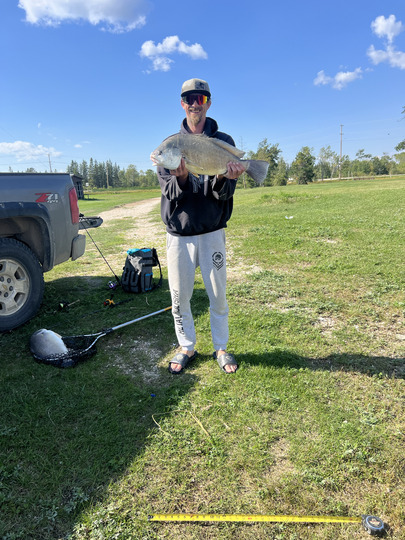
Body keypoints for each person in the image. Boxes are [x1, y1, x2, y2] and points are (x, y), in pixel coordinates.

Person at [156, 78, 244, 374]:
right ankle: (186, 346)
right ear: (182, 103)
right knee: (180, 296)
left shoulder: (224, 142)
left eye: (201, 98)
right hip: (179, 235)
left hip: (213, 232)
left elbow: (224, 194)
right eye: (189, 98)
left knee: (218, 293)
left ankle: (221, 346)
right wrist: (180, 177)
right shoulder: (170, 146)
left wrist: (225, 177)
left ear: (208, 102)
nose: (195, 103)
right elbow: (168, 191)